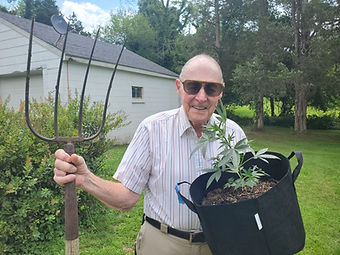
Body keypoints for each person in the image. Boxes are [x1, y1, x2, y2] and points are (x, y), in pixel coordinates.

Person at [53, 54, 247, 255]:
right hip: (162, 244)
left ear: (220, 93)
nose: (201, 96)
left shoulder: (233, 134)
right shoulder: (152, 129)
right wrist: (85, 179)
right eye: (193, 86)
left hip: (219, 245)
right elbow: (126, 199)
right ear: (179, 87)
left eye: (211, 88)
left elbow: (251, 191)